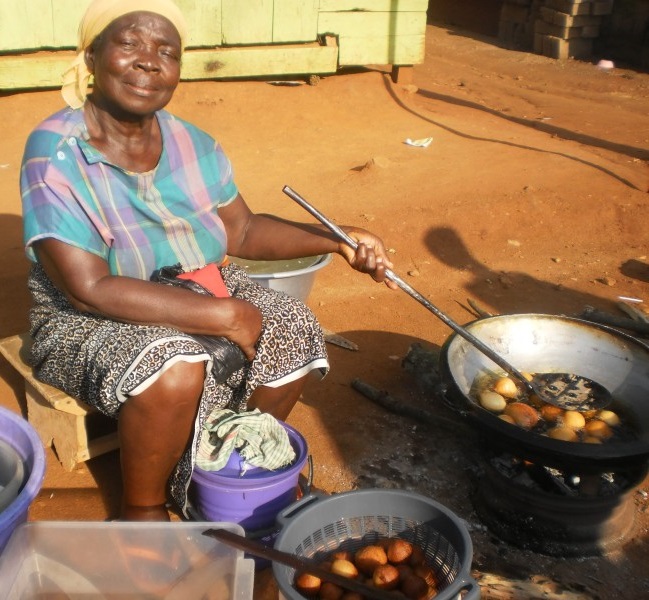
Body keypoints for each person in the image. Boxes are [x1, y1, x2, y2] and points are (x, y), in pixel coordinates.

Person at [20, 0, 396, 521]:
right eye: (128, 44)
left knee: (294, 326)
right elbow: (89, 287)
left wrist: (335, 238)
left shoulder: (191, 143)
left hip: (197, 284)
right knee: (173, 366)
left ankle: (228, 465)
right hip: (85, 315)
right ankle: (143, 507)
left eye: (166, 52)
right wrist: (227, 316)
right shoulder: (56, 150)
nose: (149, 61)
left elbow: (240, 229)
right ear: (91, 56)